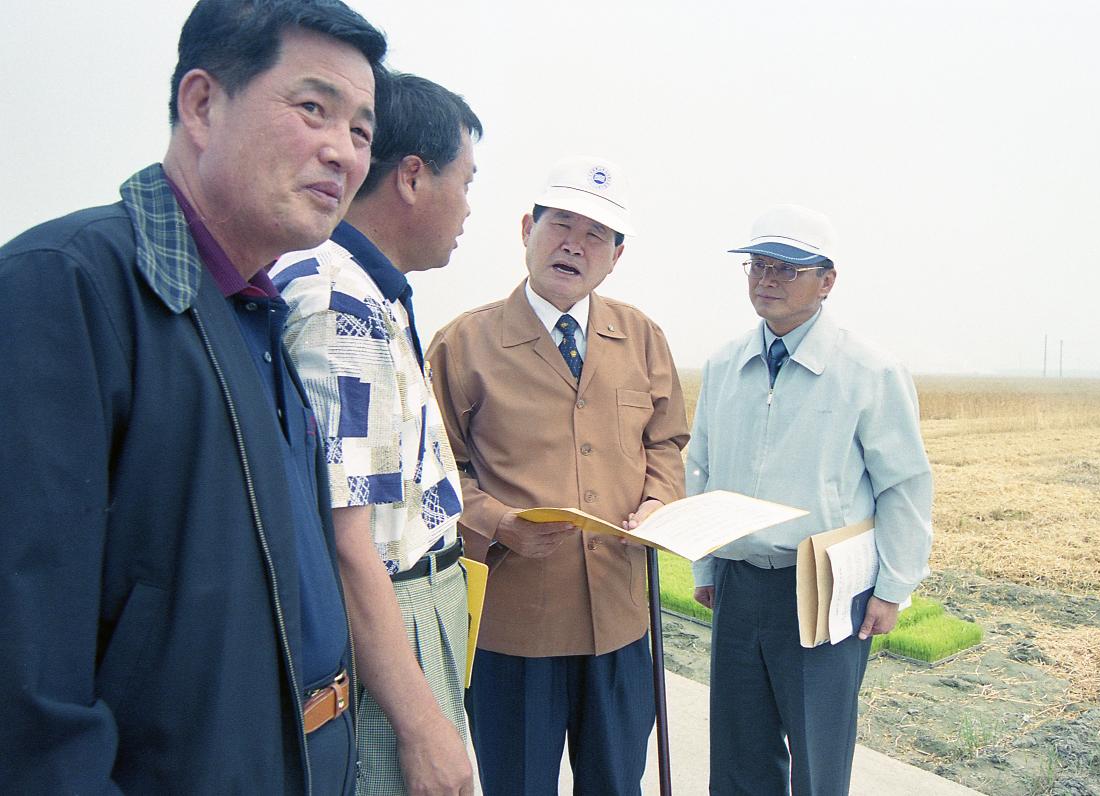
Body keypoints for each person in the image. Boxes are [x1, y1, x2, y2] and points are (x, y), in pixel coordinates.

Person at [0, 1, 385, 792]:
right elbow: (27, 685)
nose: (341, 152)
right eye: (314, 108)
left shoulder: (252, 308)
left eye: (360, 131)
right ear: (202, 103)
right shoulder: (67, 285)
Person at [426, 156, 689, 795]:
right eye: (560, 224)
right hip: (515, 626)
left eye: (595, 233)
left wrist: (658, 502)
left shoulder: (642, 336)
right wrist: (497, 522)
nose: (574, 243)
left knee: (616, 784)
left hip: (620, 619)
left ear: (616, 255)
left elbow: (668, 442)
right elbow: (433, 471)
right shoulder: (463, 344)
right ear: (526, 228)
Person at [272, 71, 481, 796]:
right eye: (467, 181)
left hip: (415, 609)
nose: (468, 210)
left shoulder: (365, 289)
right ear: (414, 178)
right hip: (392, 619)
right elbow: (346, 537)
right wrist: (424, 725)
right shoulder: (341, 308)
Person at [686, 204, 934, 795]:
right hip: (740, 580)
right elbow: (700, 467)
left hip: (825, 586)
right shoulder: (725, 365)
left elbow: (904, 484)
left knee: (818, 755)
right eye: (758, 266)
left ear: (827, 281)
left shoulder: (868, 370)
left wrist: (894, 587)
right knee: (739, 752)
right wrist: (704, 561)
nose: (766, 279)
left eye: (787, 269)